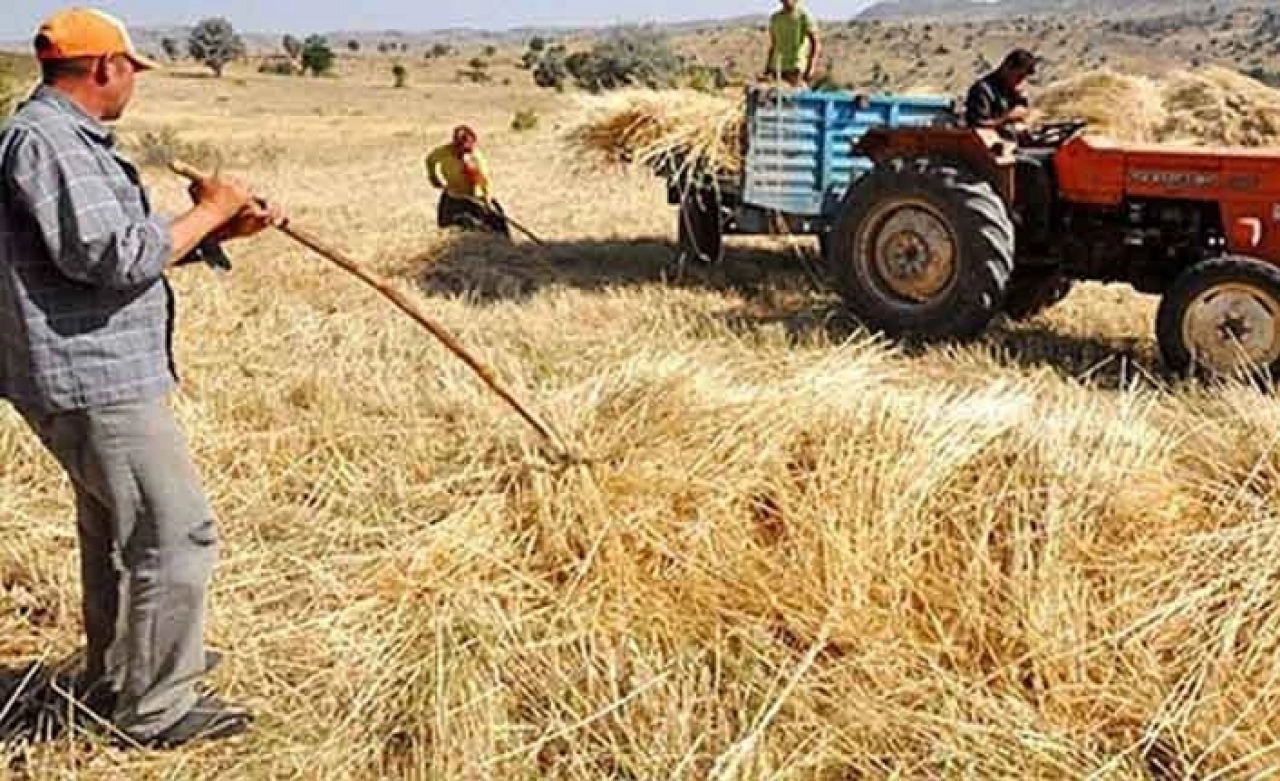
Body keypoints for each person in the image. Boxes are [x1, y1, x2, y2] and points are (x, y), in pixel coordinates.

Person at [0, 8, 282, 748]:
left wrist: (215, 229)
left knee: (119, 534)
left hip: (94, 368)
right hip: (92, 374)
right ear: (104, 68)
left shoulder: (63, 139)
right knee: (175, 531)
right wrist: (211, 207)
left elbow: (113, 253)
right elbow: (111, 257)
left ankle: (126, 673)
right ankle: (157, 709)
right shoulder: (48, 141)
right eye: (131, 69)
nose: (134, 84)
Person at [425, 126, 511, 238]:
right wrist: (433, 177)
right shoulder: (443, 152)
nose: (467, 151)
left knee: (495, 229)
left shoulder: (476, 158)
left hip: (476, 198)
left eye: (470, 147)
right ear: (455, 144)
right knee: (446, 229)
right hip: (453, 197)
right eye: (463, 148)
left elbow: (484, 182)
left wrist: (487, 202)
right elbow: (430, 160)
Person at [964, 49, 1039, 136]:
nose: (1021, 81)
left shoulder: (1013, 89)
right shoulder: (982, 90)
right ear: (1007, 67)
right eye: (1019, 76)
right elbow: (977, 125)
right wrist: (1006, 119)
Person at [763, 0, 821, 88]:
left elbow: (815, 44)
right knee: (776, 98)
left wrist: (811, 67)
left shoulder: (804, 16)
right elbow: (774, 44)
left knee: (793, 98)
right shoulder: (775, 18)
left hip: (796, 66)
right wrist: (768, 68)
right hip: (777, 67)